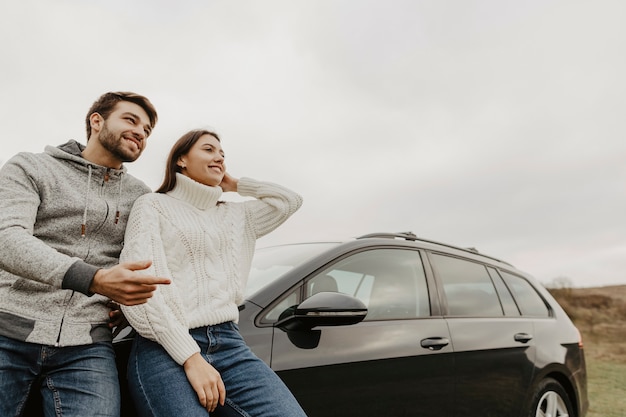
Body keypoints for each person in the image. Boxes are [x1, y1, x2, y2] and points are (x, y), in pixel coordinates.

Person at [0, 91, 171, 417]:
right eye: (131, 120)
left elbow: (148, 260)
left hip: (87, 343)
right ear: (97, 121)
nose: (140, 133)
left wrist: (127, 304)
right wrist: (95, 279)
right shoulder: (31, 166)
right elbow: (7, 239)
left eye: (147, 131)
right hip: (8, 326)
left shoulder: (141, 196)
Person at [119, 129, 307, 416]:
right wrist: (191, 357)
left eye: (222, 153)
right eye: (208, 150)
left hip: (229, 344)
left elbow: (289, 201)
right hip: (164, 345)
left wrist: (236, 185)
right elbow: (140, 291)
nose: (219, 156)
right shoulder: (153, 206)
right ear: (181, 159)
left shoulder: (237, 216)